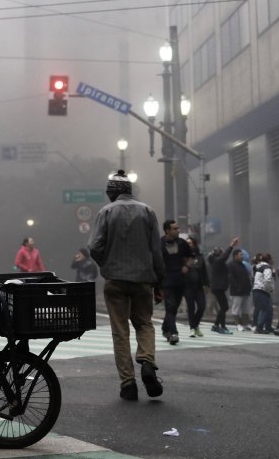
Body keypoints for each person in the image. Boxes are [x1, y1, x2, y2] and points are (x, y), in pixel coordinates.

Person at [87, 170, 165, 401]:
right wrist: (160, 282)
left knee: (120, 332)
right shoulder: (147, 212)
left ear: (113, 193)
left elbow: (94, 246)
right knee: (144, 324)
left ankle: (128, 384)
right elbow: (156, 252)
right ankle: (147, 362)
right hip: (143, 281)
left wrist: (106, 264)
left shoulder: (106, 212)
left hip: (115, 281)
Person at [160, 219, 193, 345]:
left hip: (180, 281)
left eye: (178, 228)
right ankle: (173, 333)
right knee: (170, 306)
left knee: (173, 308)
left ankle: (165, 328)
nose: (178, 230)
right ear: (167, 230)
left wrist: (187, 267)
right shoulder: (159, 244)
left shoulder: (182, 243)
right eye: (175, 228)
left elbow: (192, 256)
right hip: (166, 281)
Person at [207, 237, 239, 334]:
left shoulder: (217, 262)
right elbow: (225, 257)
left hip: (219, 287)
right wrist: (231, 246)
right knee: (224, 307)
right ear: (218, 254)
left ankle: (219, 325)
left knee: (223, 307)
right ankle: (218, 326)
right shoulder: (217, 261)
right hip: (218, 287)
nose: (223, 253)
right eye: (221, 252)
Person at [183, 236, 209, 337]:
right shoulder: (183, 257)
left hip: (199, 286)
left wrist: (206, 284)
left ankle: (196, 325)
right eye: (187, 243)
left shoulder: (200, 257)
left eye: (190, 243)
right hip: (187, 286)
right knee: (191, 307)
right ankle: (192, 328)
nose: (188, 245)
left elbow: (204, 272)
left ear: (194, 244)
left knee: (202, 306)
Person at [228, 247, 253, 332]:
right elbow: (231, 278)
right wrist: (238, 287)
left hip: (245, 291)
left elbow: (246, 277)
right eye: (240, 255)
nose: (242, 256)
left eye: (242, 255)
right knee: (236, 308)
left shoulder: (242, 264)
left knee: (246, 308)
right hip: (236, 292)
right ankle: (238, 324)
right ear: (235, 256)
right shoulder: (231, 265)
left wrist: (248, 287)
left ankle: (246, 324)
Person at [251, 253, 275, 334]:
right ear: (269, 260)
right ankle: (259, 327)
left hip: (257, 290)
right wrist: (270, 288)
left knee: (269, 309)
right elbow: (268, 280)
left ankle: (268, 326)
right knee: (264, 309)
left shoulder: (259, 267)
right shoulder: (267, 268)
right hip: (262, 290)